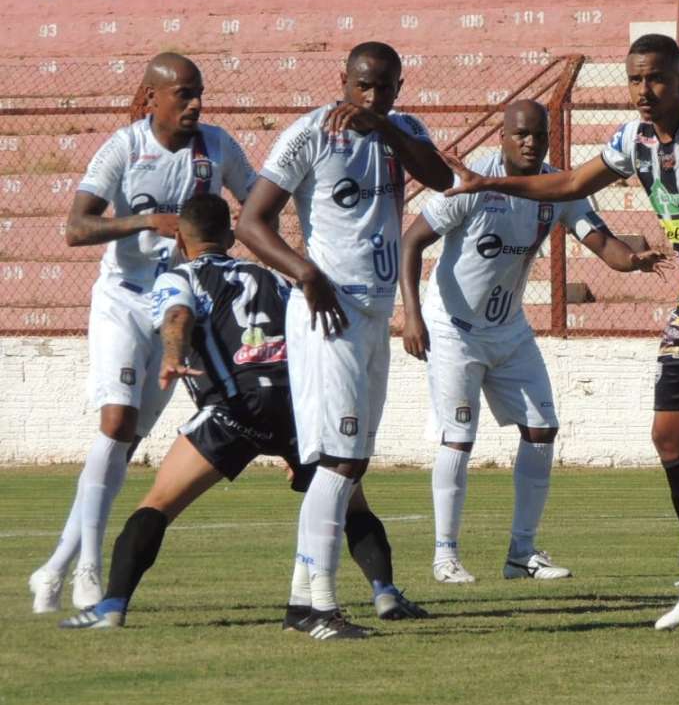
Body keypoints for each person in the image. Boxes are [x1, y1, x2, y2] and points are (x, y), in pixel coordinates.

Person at [444, 34, 679, 641]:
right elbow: (570, 185)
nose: (645, 90)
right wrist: (488, 184)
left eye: (657, 78)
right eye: (636, 79)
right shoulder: (632, 141)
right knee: (669, 438)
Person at [58, 194, 426, 629]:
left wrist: (172, 355)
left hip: (233, 409)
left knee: (157, 505)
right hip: (295, 405)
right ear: (231, 237)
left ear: (180, 240)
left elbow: (177, 316)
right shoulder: (268, 275)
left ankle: (111, 607)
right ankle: (384, 592)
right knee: (349, 502)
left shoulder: (179, 275)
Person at [402, 100, 669, 584]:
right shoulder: (472, 182)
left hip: (509, 330)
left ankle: (521, 553)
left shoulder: (556, 187)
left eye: (539, 135)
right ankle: (445, 556)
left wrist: (633, 261)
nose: (530, 143)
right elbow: (412, 241)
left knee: (542, 429)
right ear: (502, 137)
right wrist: (412, 317)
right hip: (453, 329)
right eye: (521, 134)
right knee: (459, 438)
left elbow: (602, 243)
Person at [236, 41, 452, 640]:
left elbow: (442, 178)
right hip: (328, 312)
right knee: (340, 460)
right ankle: (319, 606)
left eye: (384, 87)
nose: (372, 96)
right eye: (363, 85)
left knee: (351, 461)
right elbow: (250, 221)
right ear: (343, 80)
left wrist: (386, 127)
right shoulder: (310, 134)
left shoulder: (403, 131)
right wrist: (303, 272)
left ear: (399, 88)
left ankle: (302, 602)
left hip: (374, 313)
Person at [29, 54, 256, 614]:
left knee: (125, 442)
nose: (195, 103)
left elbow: (256, 207)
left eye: (199, 93)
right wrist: (145, 220)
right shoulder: (124, 148)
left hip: (177, 306)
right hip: (124, 299)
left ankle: (54, 567)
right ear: (152, 97)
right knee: (116, 422)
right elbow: (76, 228)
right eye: (184, 93)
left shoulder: (217, 148)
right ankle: (88, 567)